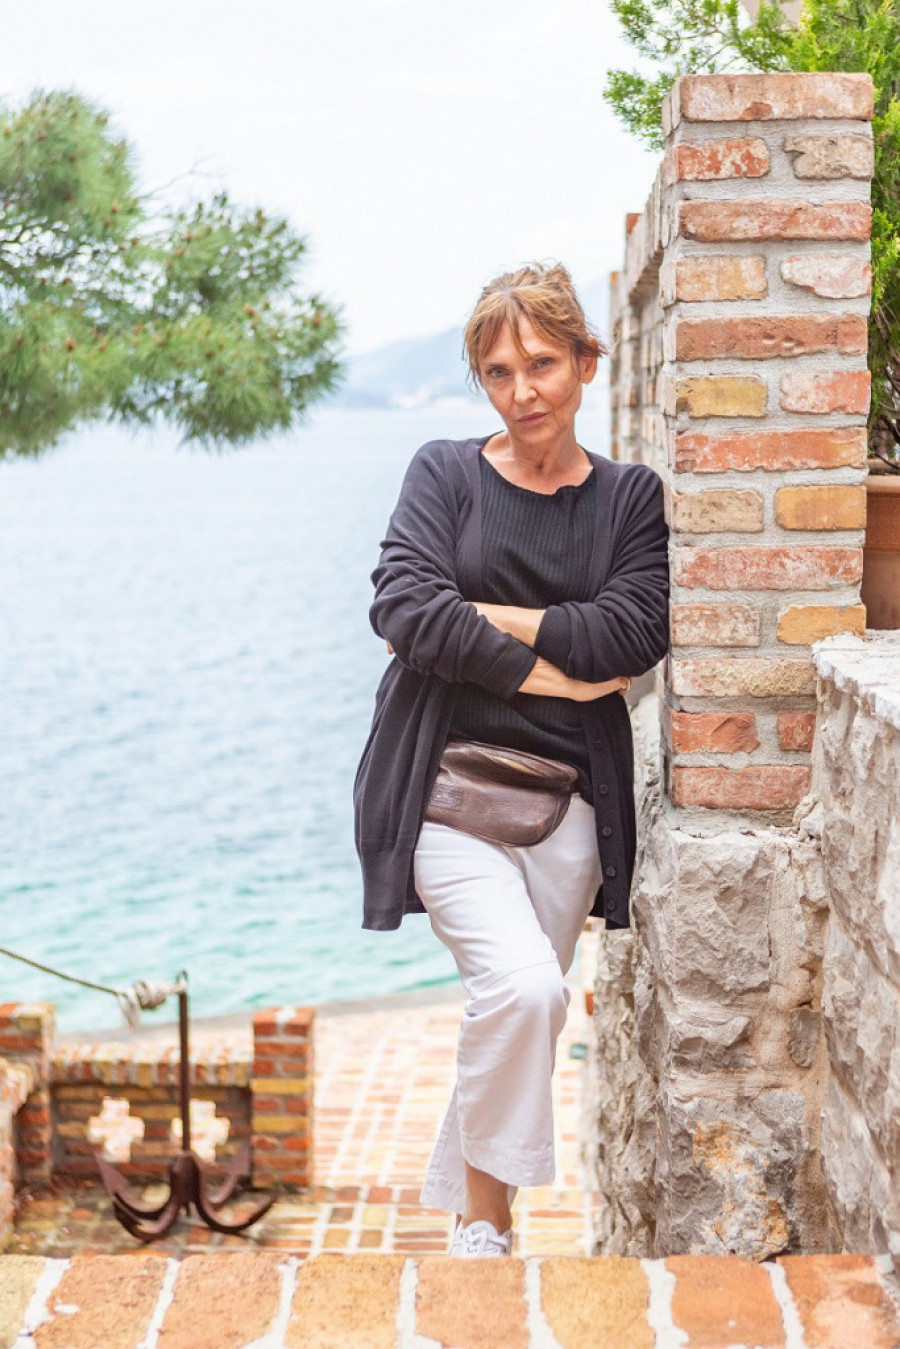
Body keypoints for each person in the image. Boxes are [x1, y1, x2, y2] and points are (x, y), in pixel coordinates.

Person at [354, 262, 669, 1257]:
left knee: (512, 1006)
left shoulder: (628, 498)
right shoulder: (444, 474)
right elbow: (404, 608)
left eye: (542, 363)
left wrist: (489, 618)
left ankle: (471, 1217)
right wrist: (558, 676)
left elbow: (630, 633)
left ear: (586, 361)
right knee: (528, 992)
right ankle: (488, 1226)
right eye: (498, 371)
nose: (523, 389)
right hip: (443, 795)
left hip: (571, 808)